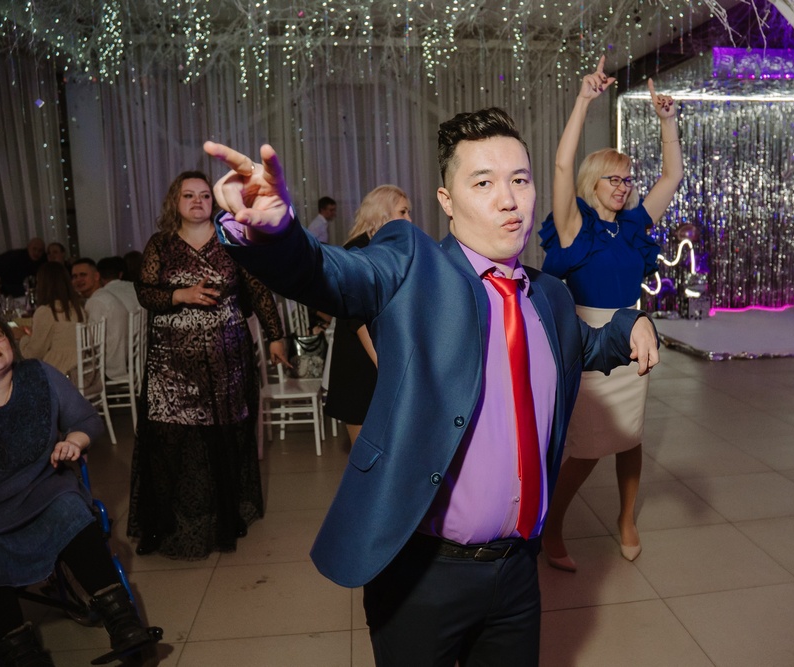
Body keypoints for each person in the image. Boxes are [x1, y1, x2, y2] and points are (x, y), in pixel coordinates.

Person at [203, 106, 659, 666]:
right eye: (483, 183)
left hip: (518, 572)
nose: (509, 200)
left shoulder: (551, 298)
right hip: (422, 575)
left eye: (520, 180)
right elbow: (329, 273)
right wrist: (274, 235)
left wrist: (632, 322)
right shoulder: (412, 266)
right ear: (447, 200)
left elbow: (587, 346)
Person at [537, 57, 682, 570]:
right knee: (585, 446)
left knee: (630, 437)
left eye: (626, 179)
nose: (622, 186)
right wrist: (583, 100)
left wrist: (667, 122)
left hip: (634, 335)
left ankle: (626, 520)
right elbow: (560, 168)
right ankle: (552, 526)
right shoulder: (575, 227)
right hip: (588, 342)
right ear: (593, 182)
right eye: (612, 179)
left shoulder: (634, 226)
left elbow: (673, 176)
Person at [0, 312, 157, 666]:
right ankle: (19, 651)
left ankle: (123, 622)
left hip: (43, 491)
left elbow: (86, 420)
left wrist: (74, 441)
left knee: (69, 505)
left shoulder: (39, 375)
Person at [127, 170, 288, 560]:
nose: (197, 201)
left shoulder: (232, 239)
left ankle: (225, 519)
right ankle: (162, 525)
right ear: (175, 202)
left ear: (213, 203)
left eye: (203, 195)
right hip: (171, 363)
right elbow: (145, 292)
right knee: (169, 442)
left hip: (225, 361)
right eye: (188, 195)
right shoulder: (161, 244)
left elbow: (258, 290)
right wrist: (179, 295)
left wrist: (275, 335)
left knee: (222, 442)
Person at [324, 185, 412, 444]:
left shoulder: (388, 249)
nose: (409, 219)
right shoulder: (359, 250)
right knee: (365, 453)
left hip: (381, 352)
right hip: (362, 362)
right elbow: (358, 319)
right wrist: (384, 365)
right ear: (382, 213)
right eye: (403, 212)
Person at [16, 262, 85, 377]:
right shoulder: (78, 308)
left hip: (59, 373)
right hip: (81, 369)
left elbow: (32, 354)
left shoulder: (46, 311)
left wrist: (22, 337)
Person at [71, 258, 130, 382]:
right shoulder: (104, 296)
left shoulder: (96, 302)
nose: (78, 280)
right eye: (74, 276)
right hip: (121, 362)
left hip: (108, 369)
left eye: (83, 275)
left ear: (96, 276)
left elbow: (89, 344)